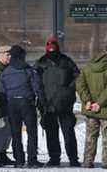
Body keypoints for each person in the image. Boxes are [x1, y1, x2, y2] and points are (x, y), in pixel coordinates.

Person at [34, 36, 80, 167]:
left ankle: (73, 158)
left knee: (68, 132)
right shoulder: (41, 62)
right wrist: (41, 98)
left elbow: (77, 77)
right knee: (51, 132)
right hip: (48, 104)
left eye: (54, 49)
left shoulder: (66, 61)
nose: (52, 52)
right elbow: (35, 81)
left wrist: (69, 90)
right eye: (50, 49)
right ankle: (54, 157)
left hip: (65, 103)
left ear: (58, 48)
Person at [0, 45, 45, 168]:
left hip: (12, 104)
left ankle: (19, 160)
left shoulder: (5, 72)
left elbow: (2, 91)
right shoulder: (28, 70)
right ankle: (32, 160)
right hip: (27, 103)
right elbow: (37, 87)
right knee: (31, 132)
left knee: (15, 133)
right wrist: (42, 101)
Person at [76, 48, 107, 169]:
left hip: (90, 108)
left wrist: (87, 100)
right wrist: (100, 104)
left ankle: (87, 161)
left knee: (90, 136)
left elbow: (80, 84)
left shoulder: (88, 66)